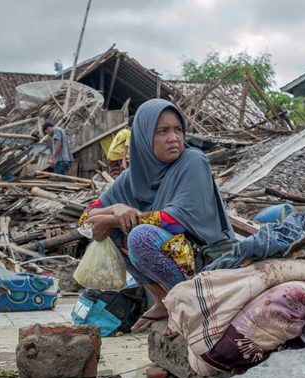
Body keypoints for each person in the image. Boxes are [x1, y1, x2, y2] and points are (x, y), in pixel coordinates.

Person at [80, 99, 234, 331]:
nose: (173, 138)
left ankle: (188, 301)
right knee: (114, 231)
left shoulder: (193, 161)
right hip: (174, 257)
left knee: (140, 236)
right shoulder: (131, 177)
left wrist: (114, 218)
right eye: (162, 132)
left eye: (178, 129)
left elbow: (174, 221)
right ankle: (163, 299)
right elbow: (84, 220)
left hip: (207, 258)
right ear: (143, 137)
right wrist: (113, 210)